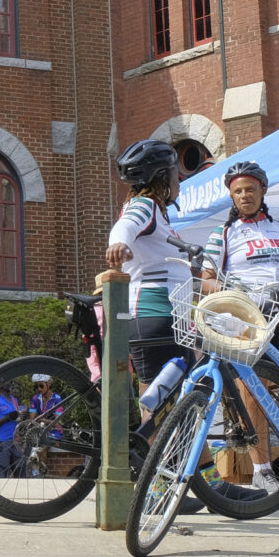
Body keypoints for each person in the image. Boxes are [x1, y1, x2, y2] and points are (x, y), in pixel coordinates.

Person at [200, 160, 279, 493]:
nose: (244, 195)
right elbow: (205, 281)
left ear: (262, 190)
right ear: (232, 197)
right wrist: (229, 292)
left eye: (250, 189)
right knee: (252, 390)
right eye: (237, 191)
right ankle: (261, 469)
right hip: (247, 317)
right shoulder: (222, 234)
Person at [106, 139, 190, 385]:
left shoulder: (157, 214)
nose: (179, 180)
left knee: (170, 399)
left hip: (168, 315)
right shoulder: (145, 205)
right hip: (154, 312)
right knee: (159, 401)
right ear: (162, 177)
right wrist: (118, 244)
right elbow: (125, 225)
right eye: (176, 173)